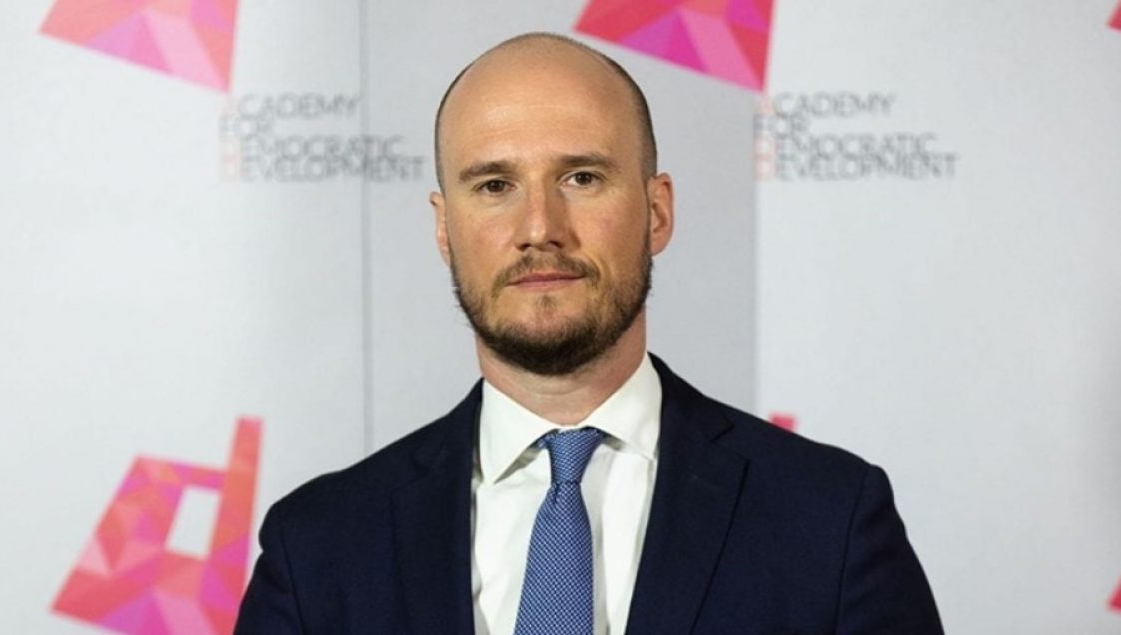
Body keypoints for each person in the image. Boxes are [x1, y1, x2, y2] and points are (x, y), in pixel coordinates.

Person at [236, 32, 943, 634]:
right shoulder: (318, 548)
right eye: (494, 186)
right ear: (444, 229)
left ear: (657, 212)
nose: (540, 227)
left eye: (580, 177)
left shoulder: (829, 521)